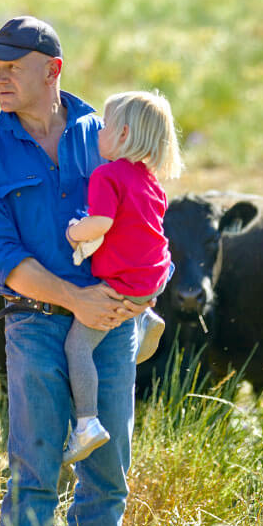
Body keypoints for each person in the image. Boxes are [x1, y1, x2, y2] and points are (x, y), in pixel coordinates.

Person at [0, 15, 150, 526]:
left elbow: (146, 208)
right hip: (35, 322)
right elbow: (4, 260)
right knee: (35, 469)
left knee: (108, 470)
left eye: (12, 68)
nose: (0, 79)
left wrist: (137, 297)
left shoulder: (106, 133)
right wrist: (77, 300)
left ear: (53, 71)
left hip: (111, 317)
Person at [62, 90, 181, 464]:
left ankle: (86, 422)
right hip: (156, 278)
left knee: (77, 347)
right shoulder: (151, 182)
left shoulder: (106, 175)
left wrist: (75, 232)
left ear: (124, 134)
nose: (98, 132)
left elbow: (103, 223)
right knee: (135, 298)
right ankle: (144, 314)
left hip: (121, 286)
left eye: (106, 126)